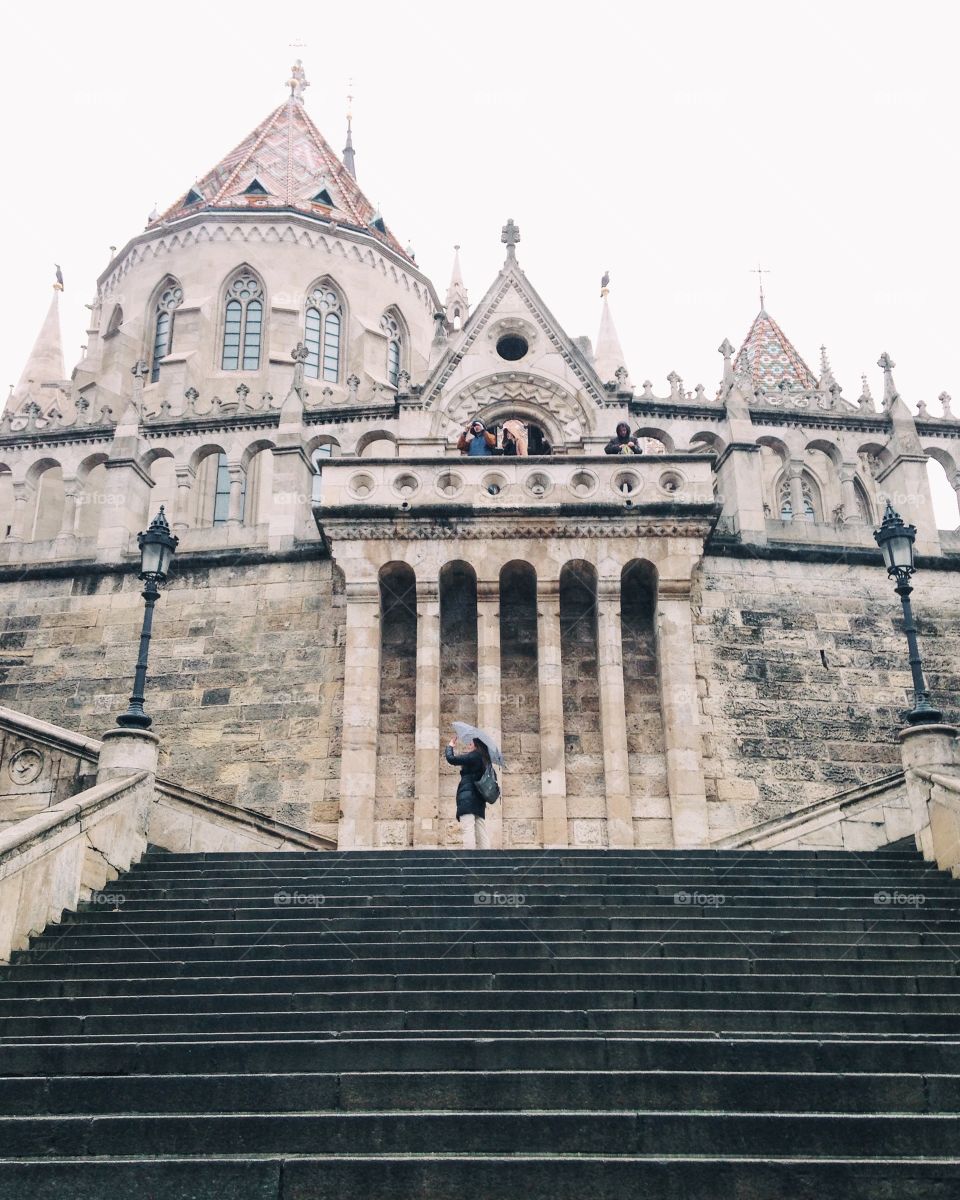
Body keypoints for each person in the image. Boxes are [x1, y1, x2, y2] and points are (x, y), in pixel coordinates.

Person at [445, 735, 491, 849]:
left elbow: (452, 759)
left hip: (468, 798)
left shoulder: (474, 756)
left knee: (468, 828)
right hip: (479, 799)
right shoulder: (485, 759)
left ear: (477, 745)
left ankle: (469, 859)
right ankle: (486, 859)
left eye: (471, 743)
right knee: (481, 830)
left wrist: (450, 746)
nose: (469, 745)